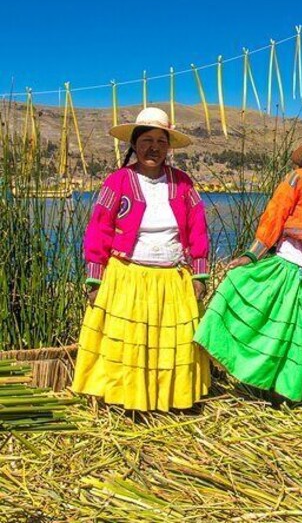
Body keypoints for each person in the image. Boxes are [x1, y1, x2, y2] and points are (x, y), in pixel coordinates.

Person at [193, 124, 302, 404]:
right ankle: (278, 388)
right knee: (286, 330)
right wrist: (253, 254)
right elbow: (275, 216)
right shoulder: (298, 179)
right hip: (296, 268)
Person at [72, 107, 211, 412]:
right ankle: (129, 399)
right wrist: (95, 278)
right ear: (134, 145)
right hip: (128, 276)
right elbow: (99, 229)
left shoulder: (183, 183)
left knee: (169, 344)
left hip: (172, 279)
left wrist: (199, 274)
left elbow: (198, 229)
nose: (153, 148)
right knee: (129, 340)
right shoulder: (118, 182)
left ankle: (169, 399)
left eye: (161, 142)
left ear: (168, 147)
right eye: (147, 140)